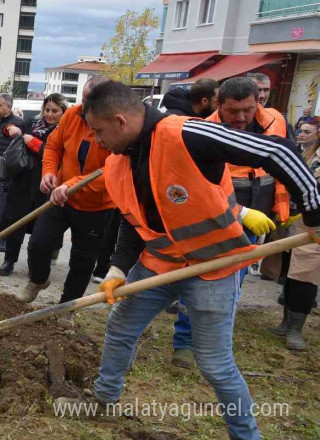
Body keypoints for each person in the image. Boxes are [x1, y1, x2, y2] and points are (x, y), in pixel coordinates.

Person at [78, 80, 320, 440]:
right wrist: (117, 269)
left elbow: (279, 153)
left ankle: (246, 435)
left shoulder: (185, 133)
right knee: (119, 328)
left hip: (213, 268)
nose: (97, 141)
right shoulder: (118, 164)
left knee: (215, 363)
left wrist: (314, 214)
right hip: (159, 264)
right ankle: (104, 400)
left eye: (98, 131)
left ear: (120, 121)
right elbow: (133, 223)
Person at [169, 77, 293, 368]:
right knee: (199, 278)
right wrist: (239, 211)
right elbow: (197, 187)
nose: (240, 118)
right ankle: (185, 343)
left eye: (247, 110)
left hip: (256, 219)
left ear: (258, 102)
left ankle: (215, 344)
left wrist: (285, 207)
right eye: (232, 111)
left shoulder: (275, 121)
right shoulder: (203, 130)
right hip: (214, 218)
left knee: (233, 286)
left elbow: (286, 163)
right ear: (218, 105)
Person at [17, 76, 115, 326]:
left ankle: (66, 307)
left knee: (82, 262)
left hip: (96, 206)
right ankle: (39, 279)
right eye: (82, 101)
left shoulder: (115, 127)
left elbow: (112, 173)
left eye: (89, 103)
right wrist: (49, 172)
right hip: (61, 199)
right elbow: (53, 147)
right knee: (38, 243)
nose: (83, 108)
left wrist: (69, 185)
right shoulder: (72, 115)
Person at [0, 93, 67, 276]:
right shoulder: (33, 124)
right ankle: (9, 260)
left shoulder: (65, 131)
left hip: (47, 184)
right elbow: (9, 128)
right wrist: (11, 128)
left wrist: (35, 143)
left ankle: (35, 265)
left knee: (41, 229)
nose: (50, 114)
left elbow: (58, 156)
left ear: (63, 112)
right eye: (47, 110)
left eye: (55, 111)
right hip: (23, 181)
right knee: (15, 222)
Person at [267, 121, 319, 350]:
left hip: (316, 224)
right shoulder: (309, 153)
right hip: (301, 219)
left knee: (305, 273)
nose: (302, 134)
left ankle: (295, 328)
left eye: (308, 131)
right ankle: (287, 322)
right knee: (293, 271)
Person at [0, 93, 24, 252]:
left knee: (4, 208)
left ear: (9, 107)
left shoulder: (18, 124)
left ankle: (4, 238)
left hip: (7, 173)